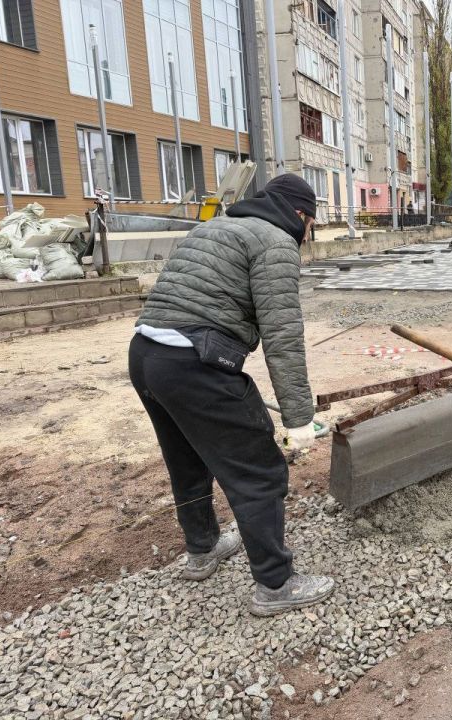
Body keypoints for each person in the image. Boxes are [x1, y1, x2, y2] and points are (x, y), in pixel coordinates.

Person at [128, 173, 334, 617]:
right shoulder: (277, 241)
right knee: (258, 469)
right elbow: (282, 335)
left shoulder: (212, 227)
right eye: (310, 224)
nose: (308, 233)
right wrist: (298, 419)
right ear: (300, 215)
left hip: (146, 355)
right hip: (194, 362)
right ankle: (276, 585)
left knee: (187, 460)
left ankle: (202, 550)